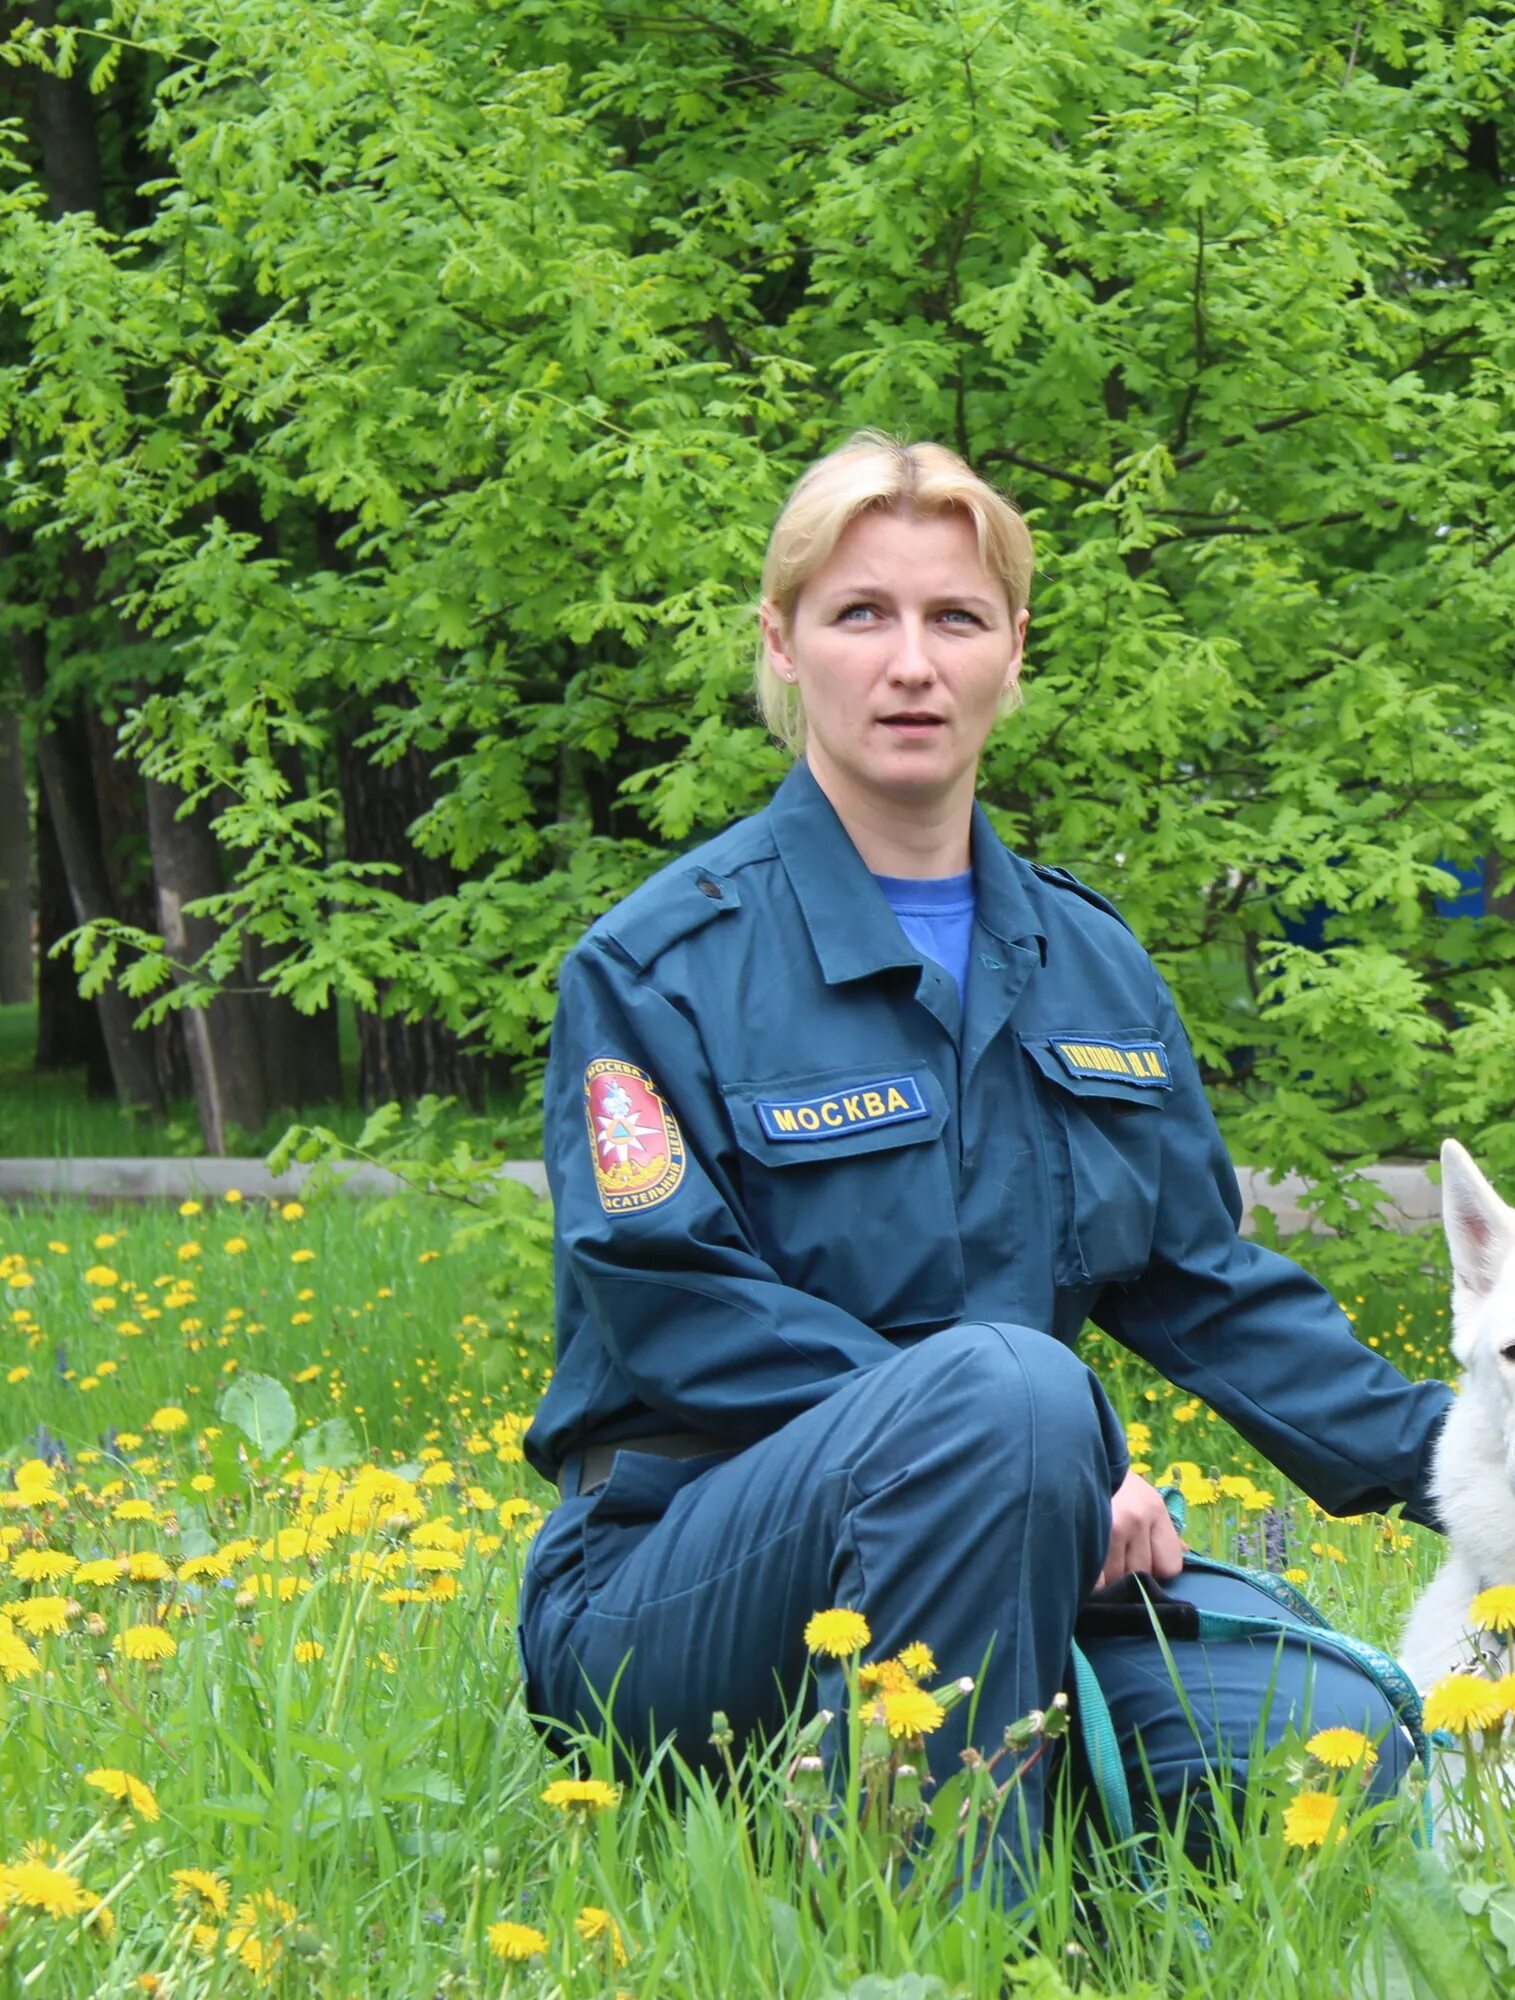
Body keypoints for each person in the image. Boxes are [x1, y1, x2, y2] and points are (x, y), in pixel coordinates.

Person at [516, 430, 1450, 1896]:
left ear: (1015, 650)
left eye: (955, 618)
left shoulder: (1088, 962)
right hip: (680, 1583)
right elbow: (677, 1306)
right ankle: (944, 1946)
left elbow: (1205, 1284)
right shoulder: (661, 966)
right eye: (859, 615)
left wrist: (1489, 1463)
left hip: (1016, 1559)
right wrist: (1051, 1457)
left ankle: (937, 1829)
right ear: (782, 643)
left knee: (1336, 1740)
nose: (911, 664)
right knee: (1009, 1389)